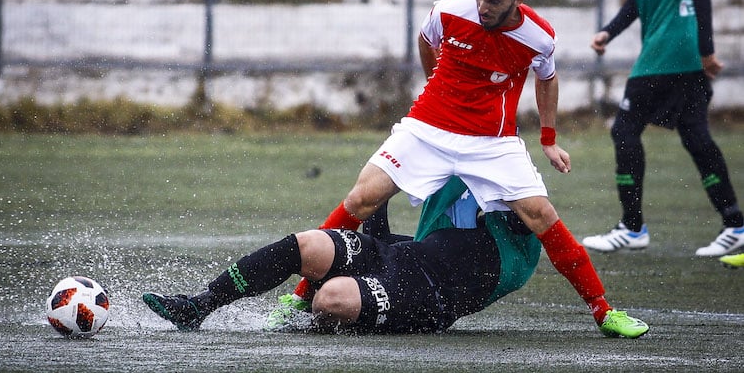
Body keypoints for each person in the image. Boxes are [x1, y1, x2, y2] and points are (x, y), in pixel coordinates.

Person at [269, 0, 648, 337]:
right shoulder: (450, 10)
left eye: (494, 1)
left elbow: (547, 79)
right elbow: (426, 39)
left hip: (491, 141)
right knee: (362, 198)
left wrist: (548, 139)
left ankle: (604, 311)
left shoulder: (539, 36)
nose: (483, 7)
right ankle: (299, 297)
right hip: (429, 128)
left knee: (541, 215)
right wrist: (437, 85)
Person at [143, 178, 644, 337]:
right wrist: (298, 288)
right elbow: (361, 205)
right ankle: (200, 305)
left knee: (334, 298)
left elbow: (557, 244)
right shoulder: (434, 142)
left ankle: (317, 318)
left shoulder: (507, 172)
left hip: (433, 293)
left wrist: (602, 309)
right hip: (401, 253)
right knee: (308, 244)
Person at [582, 0, 743, 256]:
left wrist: (706, 50)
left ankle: (633, 227)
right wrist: (609, 31)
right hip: (672, 57)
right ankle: (735, 223)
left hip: (667, 56)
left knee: (624, 130)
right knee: (694, 136)